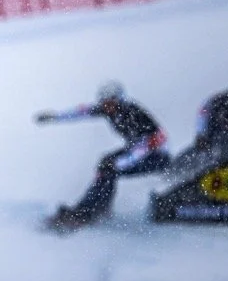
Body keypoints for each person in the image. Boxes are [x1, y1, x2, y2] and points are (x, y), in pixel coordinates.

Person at [35, 81, 170, 230]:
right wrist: (55, 117)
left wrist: (122, 163)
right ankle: (98, 209)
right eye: (104, 103)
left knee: (110, 167)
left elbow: (152, 143)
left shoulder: (133, 113)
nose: (107, 107)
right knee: (106, 164)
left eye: (110, 103)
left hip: (156, 157)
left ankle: (86, 213)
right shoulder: (108, 110)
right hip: (137, 151)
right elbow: (82, 111)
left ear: (119, 100)